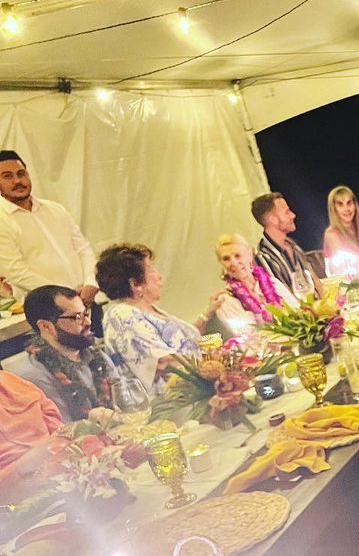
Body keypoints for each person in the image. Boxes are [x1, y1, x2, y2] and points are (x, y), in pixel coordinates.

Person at [97, 243, 225, 392]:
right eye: (151, 269)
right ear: (135, 284)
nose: (159, 276)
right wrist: (213, 360)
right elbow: (160, 363)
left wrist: (208, 315)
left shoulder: (145, 309)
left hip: (191, 391)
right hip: (170, 400)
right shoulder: (122, 315)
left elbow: (182, 342)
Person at [0, 150, 98, 308]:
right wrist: (65, 296)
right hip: (48, 309)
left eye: (21, 173)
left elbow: (83, 249)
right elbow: (17, 273)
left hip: (87, 298)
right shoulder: (2, 220)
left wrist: (91, 282)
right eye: (7, 176)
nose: (17, 181)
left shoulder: (55, 209)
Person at [22, 284, 115, 422]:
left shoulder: (94, 354)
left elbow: (125, 400)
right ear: (45, 326)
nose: (88, 321)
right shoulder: (36, 376)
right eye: (77, 317)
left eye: (86, 313)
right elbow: (62, 429)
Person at [214, 233, 297, 329]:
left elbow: (298, 313)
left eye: (238, 256)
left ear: (250, 255)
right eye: (226, 259)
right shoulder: (226, 300)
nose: (234, 263)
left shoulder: (273, 283)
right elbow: (246, 333)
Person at [250, 192, 325, 291]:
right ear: (273, 220)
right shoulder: (263, 257)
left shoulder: (293, 246)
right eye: (287, 212)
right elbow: (282, 295)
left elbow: (315, 281)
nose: (293, 215)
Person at [0, 370, 62, 487]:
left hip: (62, 473)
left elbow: (54, 420)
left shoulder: (10, 380)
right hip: (18, 491)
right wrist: (20, 469)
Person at [322, 185, 359, 276]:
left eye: (349, 203)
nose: (347, 209)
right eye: (340, 204)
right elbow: (347, 267)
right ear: (333, 209)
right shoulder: (331, 234)